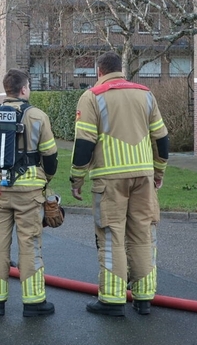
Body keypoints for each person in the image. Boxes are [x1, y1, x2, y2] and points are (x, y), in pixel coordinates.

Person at [70, 51, 169, 317]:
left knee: (112, 235)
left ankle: (112, 300)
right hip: (144, 177)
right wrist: (158, 172)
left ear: (99, 72)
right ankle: (144, 297)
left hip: (110, 179)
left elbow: (84, 143)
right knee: (142, 234)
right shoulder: (145, 94)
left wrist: (77, 178)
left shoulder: (92, 96)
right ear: (121, 70)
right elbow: (161, 138)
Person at [0, 69, 58, 317]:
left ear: (6, 89)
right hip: (29, 193)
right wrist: (45, 180)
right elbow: (50, 156)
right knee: (30, 244)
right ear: (24, 89)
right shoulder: (37, 116)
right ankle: (34, 303)